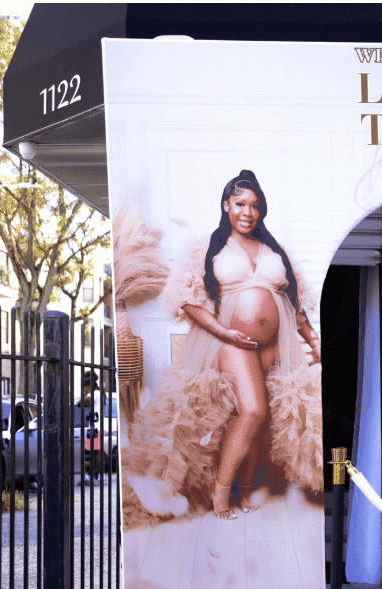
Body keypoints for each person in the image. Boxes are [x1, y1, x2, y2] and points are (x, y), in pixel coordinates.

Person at [122, 170, 323, 525]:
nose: (248, 212)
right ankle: (221, 489)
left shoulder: (274, 249)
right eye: (240, 203)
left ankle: (245, 490)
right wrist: (224, 332)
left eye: (255, 206)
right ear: (227, 204)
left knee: (263, 420)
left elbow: (296, 300)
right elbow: (186, 299)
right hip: (232, 339)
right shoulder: (206, 247)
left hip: (277, 342)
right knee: (253, 411)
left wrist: (313, 339)